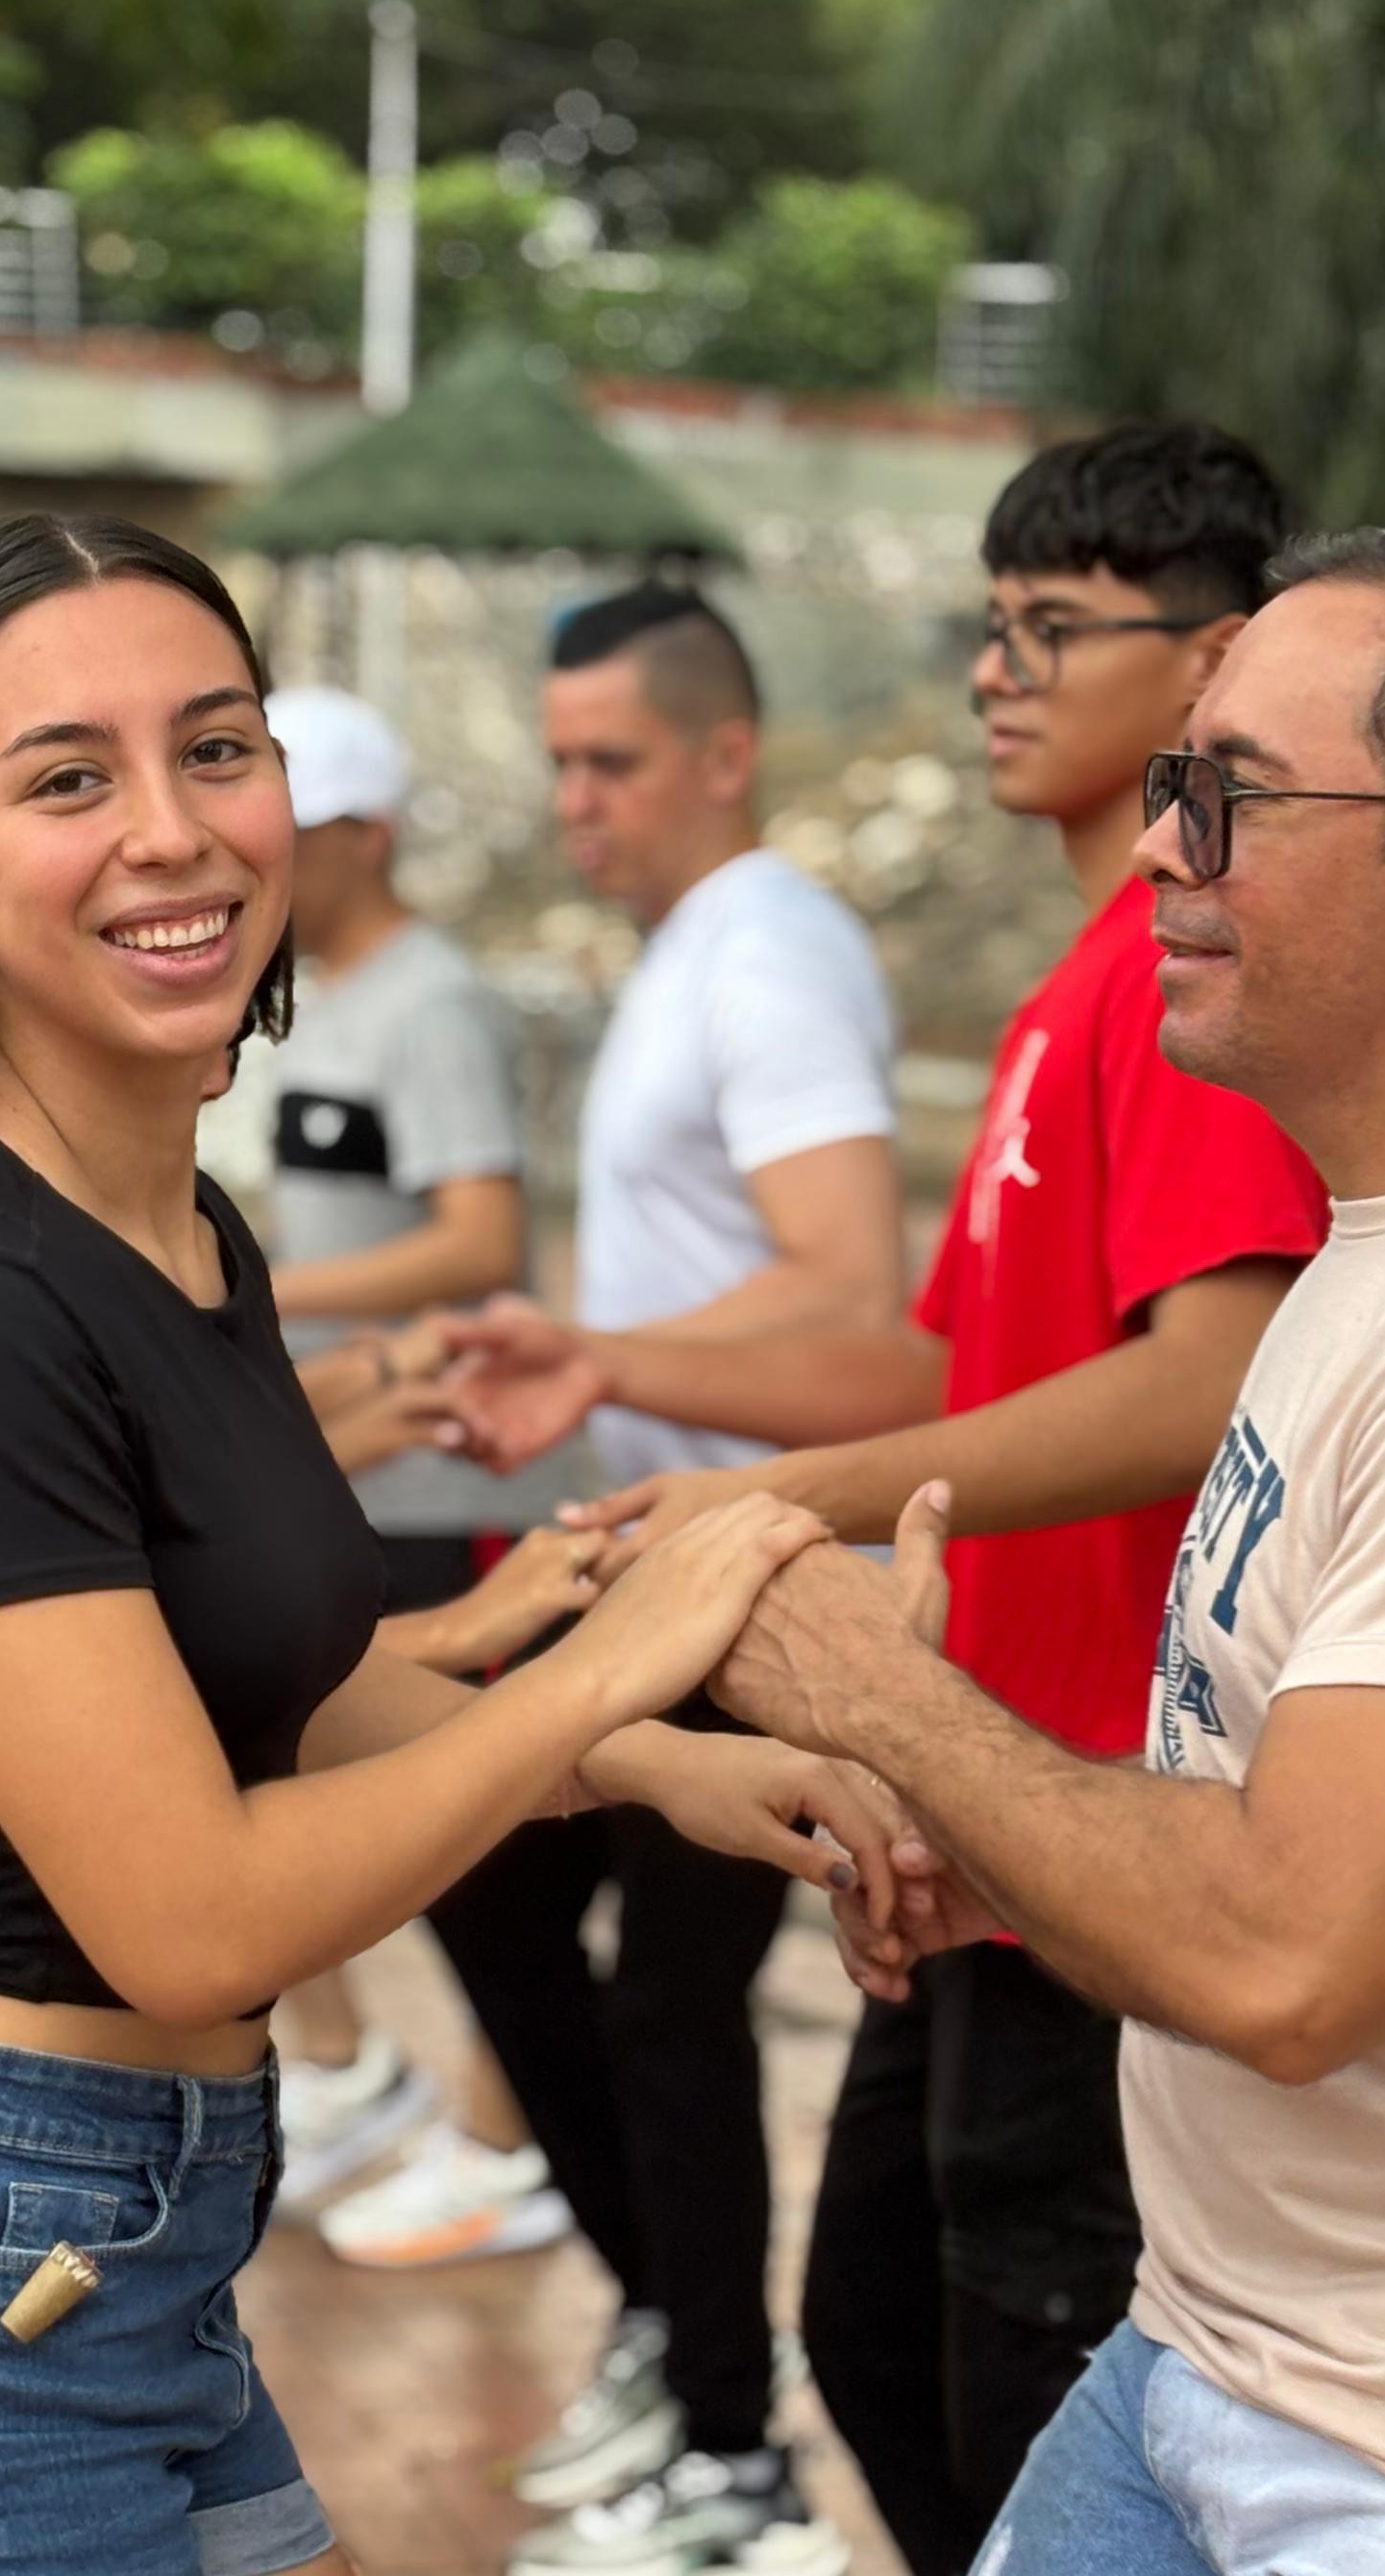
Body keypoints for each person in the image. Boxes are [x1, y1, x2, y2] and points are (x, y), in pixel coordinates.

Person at [0, 511, 903, 2576]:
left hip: (113, 2240)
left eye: (219, 750)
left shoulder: (181, 1225)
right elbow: (197, 1923)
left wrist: (657, 1761)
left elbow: (283, 1682)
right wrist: (609, 1656)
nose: (173, 830)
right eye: (68, 778)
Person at [734, 526, 1385, 2576]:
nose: (1162, 848)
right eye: (1177, 784)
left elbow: (1290, 1954)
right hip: (1228, 2362)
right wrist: (989, 1843)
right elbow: (1287, 1808)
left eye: (1229, 793)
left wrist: (875, 1681)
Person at [448, 425, 1330, 2572]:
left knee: (1017, 2394)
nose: (998, 674)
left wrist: (785, 1501)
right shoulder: (1073, 983)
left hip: (1099, 1798)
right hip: (981, 1781)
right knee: (879, 2323)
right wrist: (659, 1403)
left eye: (1057, 628)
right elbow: (954, 1364)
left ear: (1215, 669)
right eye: (991, 627)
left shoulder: (1173, 975)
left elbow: (1209, 1376)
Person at [441, 582, 907, 2572]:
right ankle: (675, 2328)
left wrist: (612, 1361)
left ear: (727, 751)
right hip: (655, 1560)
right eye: (556, 760)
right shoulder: (692, 949)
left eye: (611, 759)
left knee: (671, 2007)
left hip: (753, 1584)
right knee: (481, 1866)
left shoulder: (771, 951)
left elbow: (856, 1295)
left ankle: (732, 2451)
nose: (576, 800)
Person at [254, 682, 575, 2261]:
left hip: (459, 1472)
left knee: (479, 1827)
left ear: (360, 836)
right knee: (296, 1767)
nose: (240, 859)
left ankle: (506, 2131)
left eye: (279, 829)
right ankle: (354, 2071)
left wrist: (254, 1303)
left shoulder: (429, 999)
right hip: (361, 1459)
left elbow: (477, 1236)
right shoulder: (306, 995)